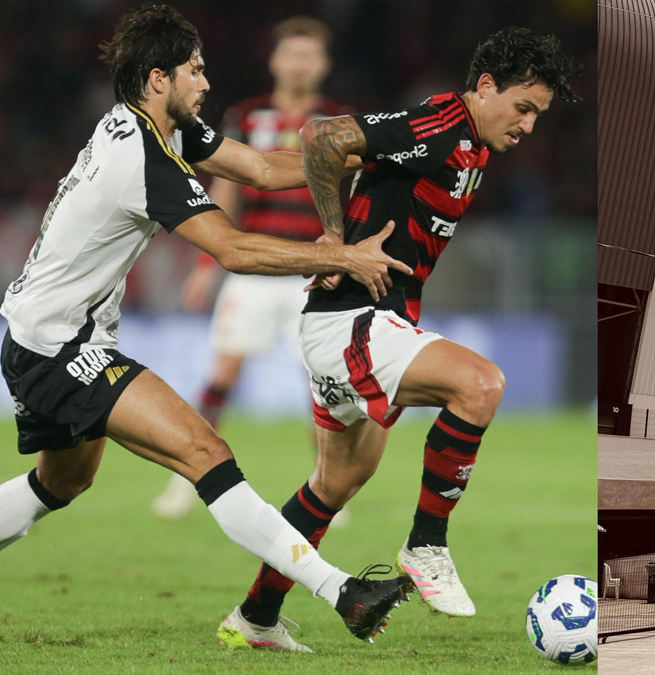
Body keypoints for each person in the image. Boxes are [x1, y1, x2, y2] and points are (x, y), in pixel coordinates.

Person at [0, 4, 409, 646]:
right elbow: (233, 250)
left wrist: (374, 154)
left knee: (63, 481)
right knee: (205, 454)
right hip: (60, 348)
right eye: (195, 71)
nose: (206, 83)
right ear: (158, 78)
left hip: (39, 336)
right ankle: (342, 592)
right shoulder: (144, 157)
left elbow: (265, 169)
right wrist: (342, 256)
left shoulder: (156, 127)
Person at [215, 26, 582, 651]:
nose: (527, 125)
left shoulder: (473, 146)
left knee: (334, 484)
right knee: (480, 384)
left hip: (359, 321)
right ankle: (427, 544)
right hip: (351, 320)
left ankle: (255, 618)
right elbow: (322, 136)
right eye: (522, 107)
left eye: (537, 115)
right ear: (485, 86)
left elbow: (350, 163)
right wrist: (334, 240)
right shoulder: (442, 123)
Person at [150, 16, 355, 523]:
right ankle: (185, 480)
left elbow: (353, 193)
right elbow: (227, 188)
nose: (300, 63)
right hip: (254, 268)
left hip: (313, 271)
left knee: (322, 382)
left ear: (324, 64)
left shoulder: (340, 120)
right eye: (292, 53)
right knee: (223, 374)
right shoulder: (246, 115)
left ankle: (329, 489)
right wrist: (206, 264)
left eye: (309, 55)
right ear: (275, 60)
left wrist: (345, 254)